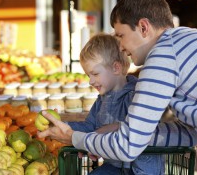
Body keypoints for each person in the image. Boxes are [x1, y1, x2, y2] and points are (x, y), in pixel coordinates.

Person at [38, 0, 197, 166]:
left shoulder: (163, 55)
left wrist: (73, 138)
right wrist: (121, 129)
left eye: (121, 35)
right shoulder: (189, 40)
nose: (120, 46)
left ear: (143, 27)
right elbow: (189, 135)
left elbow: (127, 147)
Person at [67, 33, 164, 175]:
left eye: (95, 74)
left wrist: (111, 128)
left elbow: (143, 128)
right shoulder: (101, 100)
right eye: (89, 76)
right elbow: (90, 126)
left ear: (116, 68)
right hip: (115, 166)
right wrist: (65, 127)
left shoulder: (137, 96)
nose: (91, 81)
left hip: (142, 168)